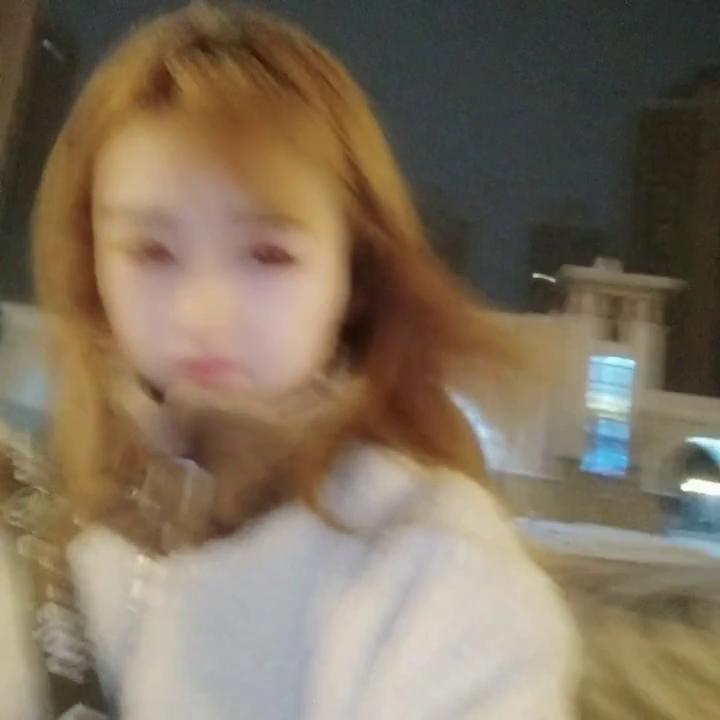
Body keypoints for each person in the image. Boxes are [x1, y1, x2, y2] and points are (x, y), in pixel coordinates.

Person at [1, 4, 578, 718]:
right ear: (94, 270)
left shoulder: (431, 570)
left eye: (267, 254)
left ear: (352, 280)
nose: (203, 313)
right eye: (151, 252)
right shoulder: (46, 539)